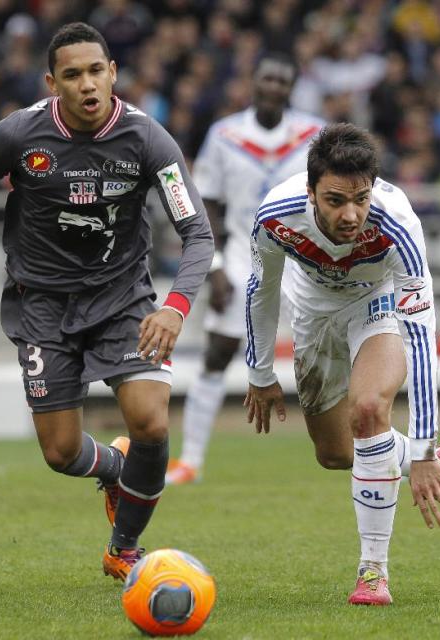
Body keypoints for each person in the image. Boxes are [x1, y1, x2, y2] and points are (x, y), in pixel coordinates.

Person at [0, 23, 213, 579]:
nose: (87, 84)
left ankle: (124, 548)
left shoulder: (149, 140)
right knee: (61, 454)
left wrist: (175, 306)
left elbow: (199, 234)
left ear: (113, 73)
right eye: (72, 75)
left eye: (96, 71)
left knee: (152, 425)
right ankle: (114, 470)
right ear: (52, 82)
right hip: (41, 306)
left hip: (123, 302)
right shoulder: (18, 135)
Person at [244, 123, 440, 606]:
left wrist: (421, 449)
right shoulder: (275, 215)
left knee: (370, 410)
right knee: (335, 453)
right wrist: (260, 372)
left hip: (376, 306)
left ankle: (373, 572)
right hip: (312, 318)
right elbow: (261, 290)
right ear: (311, 190)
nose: (351, 214)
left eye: (361, 198)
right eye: (335, 200)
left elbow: (421, 336)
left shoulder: (399, 224)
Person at [165, 53, 324, 485]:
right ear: (254, 82)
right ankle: (190, 461)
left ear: (290, 88)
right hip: (243, 255)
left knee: (331, 352)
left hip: (304, 255)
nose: (274, 85)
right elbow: (208, 203)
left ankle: (349, 444)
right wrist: (214, 267)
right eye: (267, 77)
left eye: (282, 79)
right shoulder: (224, 134)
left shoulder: (314, 133)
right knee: (218, 351)